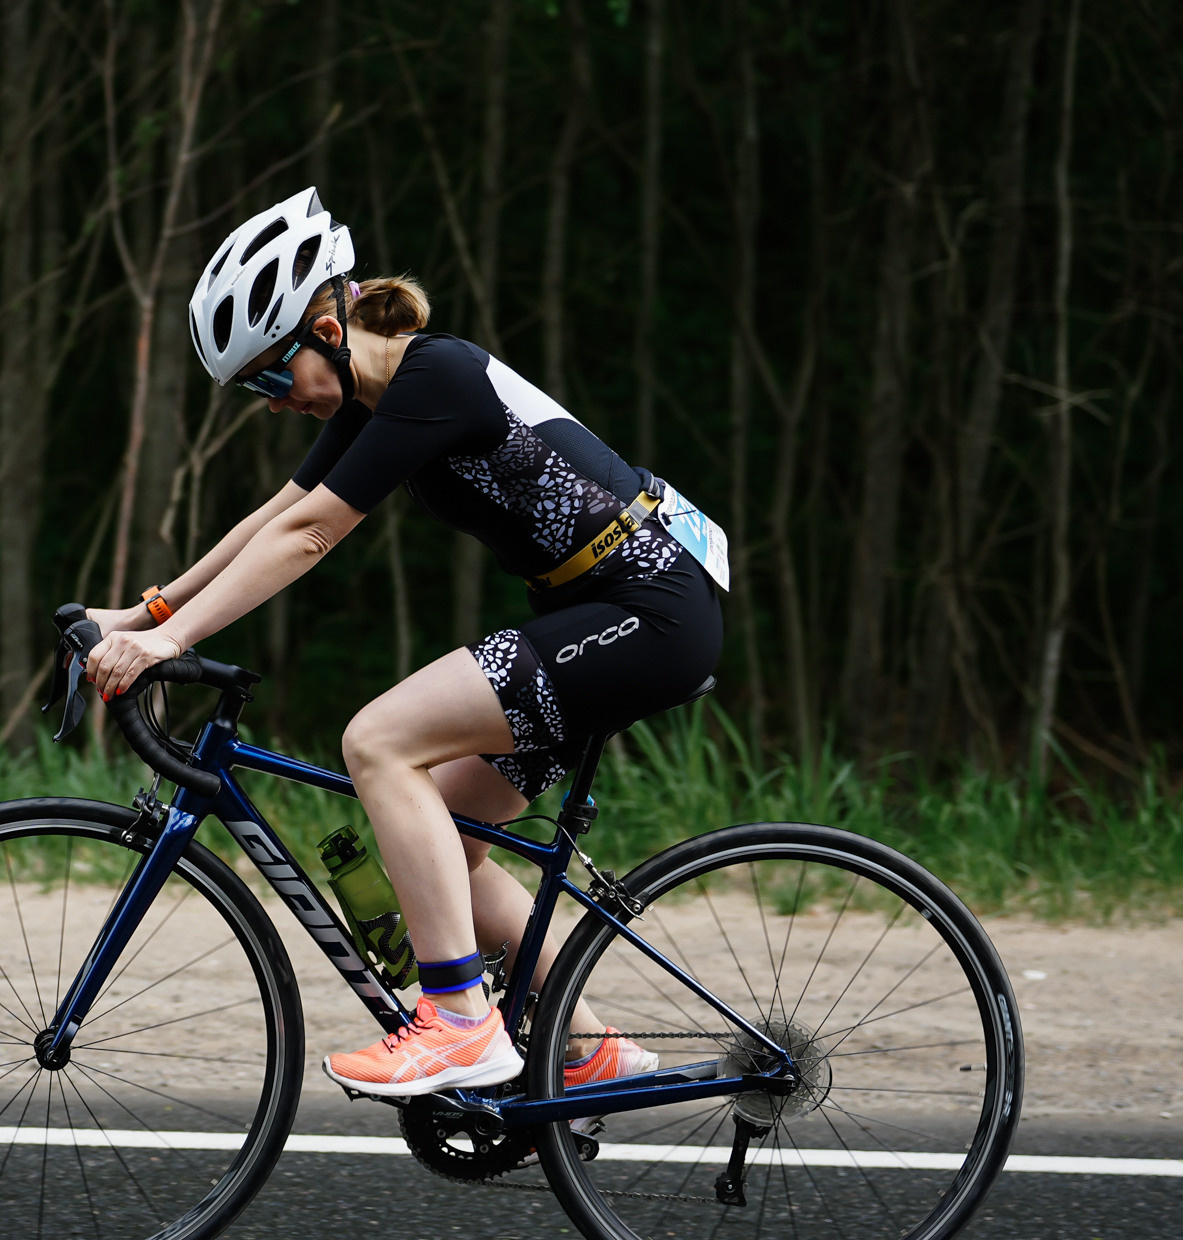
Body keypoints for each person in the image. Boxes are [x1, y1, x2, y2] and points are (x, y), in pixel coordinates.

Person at [82, 188, 722, 1097]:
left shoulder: (438, 378)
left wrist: (169, 640)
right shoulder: (374, 401)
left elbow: (313, 538)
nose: (270, 405)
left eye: (270, 377)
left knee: (376, 741)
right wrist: (148, 615)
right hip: (606, 614)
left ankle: (461, 1023)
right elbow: (281, 513)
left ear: (328, 334)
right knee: (438, 846)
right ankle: (585, 1048)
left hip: (650, 612)